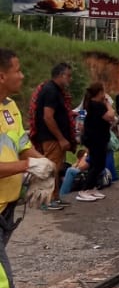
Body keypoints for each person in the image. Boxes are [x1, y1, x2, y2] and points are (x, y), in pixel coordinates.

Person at [0, 49, 46, 288]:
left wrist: (42, 164)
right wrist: (26, 168)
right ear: (2, 75)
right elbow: (18, 162)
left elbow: (22, 147)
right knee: (3, 285)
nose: (22, 76)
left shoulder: (10, 108)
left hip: (5, 212)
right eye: (17, 70)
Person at [33, 62, 74, 208]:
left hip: (55, 137)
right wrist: (61, 138)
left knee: (57, 167)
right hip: (51, 137)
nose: (70, 79)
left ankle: (55, 197)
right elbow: (48, 117)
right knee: (51, 168)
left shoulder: (56, 90)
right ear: (61, 75)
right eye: (68, 76)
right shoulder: (51, 90)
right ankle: (47, 200)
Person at [78, 82, 117, 202]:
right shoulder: (97, 105)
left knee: (99, 163)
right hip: (95, 139)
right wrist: (107, 104)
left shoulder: (92, 104)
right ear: (100, 92)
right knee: (96, 164)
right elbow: (110, 116)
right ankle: (84, 189)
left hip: (98, 138)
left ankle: (92, 187)